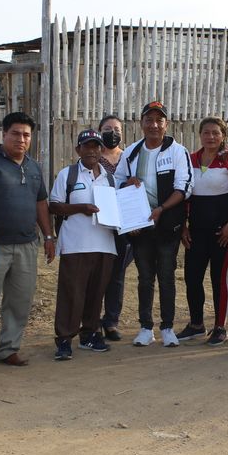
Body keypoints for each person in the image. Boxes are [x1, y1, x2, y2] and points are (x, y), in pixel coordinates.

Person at [0, 112, 56, 372]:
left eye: (26, 135)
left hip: (27, 245)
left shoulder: (33, 166)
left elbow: (41, 203)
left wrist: (48, 235)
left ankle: (8, 349)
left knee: (20, 300)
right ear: (4, 133)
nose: (21, 139)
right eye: (15, 133)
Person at [114, 101, 193, 348]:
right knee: (145, 277)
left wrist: (161, 209)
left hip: (168, 225)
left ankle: (167, 327)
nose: (154, 125)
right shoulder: (131, 152)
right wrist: (127, 183)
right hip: (140, 227)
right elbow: (117, 182)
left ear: (166, 124)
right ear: (142, 123)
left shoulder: (178, 152)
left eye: (159, 120)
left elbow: (184, 187)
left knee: (166, 276)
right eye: (149, 120)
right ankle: (146, 328)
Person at [176, 117, 228, 346]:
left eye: (216, 133)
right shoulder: (190, 160)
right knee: (192, 276)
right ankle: (197, 324)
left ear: (223, 135)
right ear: (200, 135)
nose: (211, 137)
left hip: (222, 231)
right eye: (206, 132)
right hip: (196, 230)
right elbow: (183, 195)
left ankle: (220, 327)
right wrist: (183, 226)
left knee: (219, 278)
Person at [49, 130, 118, 360]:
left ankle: (89, 335)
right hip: (75, 245)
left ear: (102, 150)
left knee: (96, 294)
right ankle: (64, 339)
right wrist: (81, 208)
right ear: (78, 149)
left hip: (104, 245)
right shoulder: (67, 175)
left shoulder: (109, 178)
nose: (91, 151)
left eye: (96, 146)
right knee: (72, 294)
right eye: (86, 146)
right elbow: (54, 206)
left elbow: (118, 209)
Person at [97, 115, 132, 342]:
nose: (113, 133)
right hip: (100, 223)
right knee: (97, 273)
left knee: (117, 273)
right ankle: (90, 320)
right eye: (107, 129)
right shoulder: (92, 157)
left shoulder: (129, 157)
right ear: (99, 131)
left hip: (125, 224)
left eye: (117, 129)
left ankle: (110, 321)